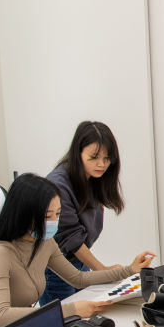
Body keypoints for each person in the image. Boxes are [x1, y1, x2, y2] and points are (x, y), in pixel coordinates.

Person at [0, 173, 155, 327]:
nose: (54, 222)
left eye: (57, 214)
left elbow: (78, 278)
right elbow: (1, 316)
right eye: (47, 216)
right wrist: (71, 309)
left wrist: (129, 270)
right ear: (25, 214)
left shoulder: (44, 242)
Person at [40, 120, 130, 304]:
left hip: (78, 262)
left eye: (107, 158)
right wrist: (103, 271)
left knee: (86, 314)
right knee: (66, 319)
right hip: (57, 269)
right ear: (78, 152)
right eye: (94, 157)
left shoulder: (92, 178)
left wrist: (102, 272)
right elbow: (72, 239)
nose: (101, 164)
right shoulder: (59, 184)